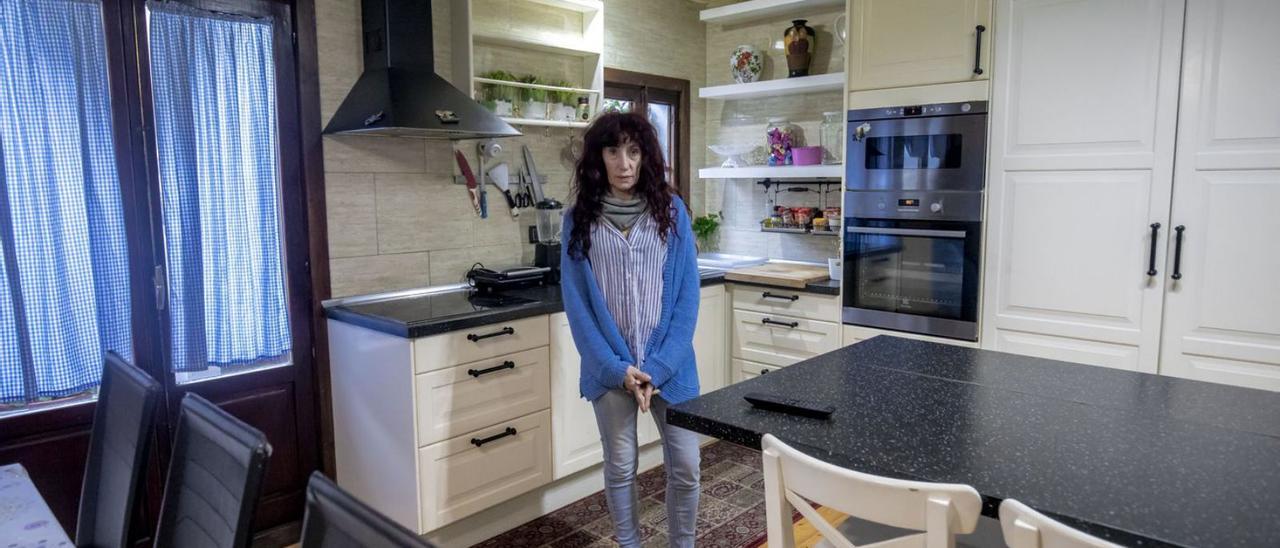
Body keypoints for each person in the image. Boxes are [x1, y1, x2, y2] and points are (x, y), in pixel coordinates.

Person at [559, 111, 701, 548]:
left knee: (687, 466)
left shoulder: (672, 213)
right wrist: (617, 369)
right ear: (598, 158)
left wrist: (657, 367)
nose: (624, 163)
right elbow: (578, 306)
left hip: (671, 369)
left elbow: (686, 300)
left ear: (645, 157)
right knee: (621, 467)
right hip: (610, 370)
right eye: (613, 150)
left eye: (634, 151)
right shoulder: (577, 219)